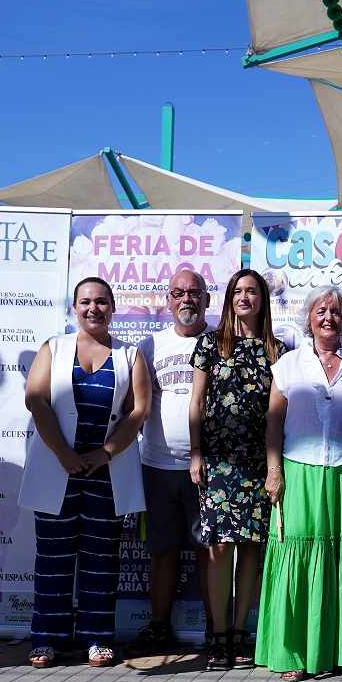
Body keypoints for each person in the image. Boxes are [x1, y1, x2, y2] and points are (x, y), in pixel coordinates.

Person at [19, 277, 150, 668]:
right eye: (86, 302)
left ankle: (97, 640)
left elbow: (138, 410)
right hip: (57, 470)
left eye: (102, 302)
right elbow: (35, 398)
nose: (94, 308)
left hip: (106, 475)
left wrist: (105, 453)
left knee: (101, 560)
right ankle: (46, 640)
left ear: (113, 306)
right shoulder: (53, 348)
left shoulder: (130, 355)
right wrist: (61, 451)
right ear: (73, 308)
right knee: (53, 559)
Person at [255, 285, 342, 682]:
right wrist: (274, 472)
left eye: (336, 312)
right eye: (321, 311)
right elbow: (273, 422)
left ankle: (340, 648)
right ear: (308, 318)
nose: (328, 318)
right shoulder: (288, 364)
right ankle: (293, 652)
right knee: (297, 552)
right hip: (297, 471)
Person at [190, 269, 288, 671]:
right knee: (219, 546)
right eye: (238, 291)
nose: (244, 296)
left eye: (252, 291)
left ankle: (240, 632)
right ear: (229, 298)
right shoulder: (210, 344)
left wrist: (272, 467)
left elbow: (277, 414)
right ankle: (217, 636)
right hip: (217, 460)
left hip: (256, 461)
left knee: (250, 547)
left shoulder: (277, 351)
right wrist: (196, 454)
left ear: (263, 299)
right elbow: (196, 404)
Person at [127, 269, 213, 658]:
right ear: (168, 301)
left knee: (208, 551)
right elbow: (135, 405)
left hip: (209, 470)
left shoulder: (220, 343)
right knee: (161, 550)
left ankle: (217, 629)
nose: (186, 300)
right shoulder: (149, 346)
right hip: (157, 466)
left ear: (207, 300)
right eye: (178, 293)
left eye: (194, 293)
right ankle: (159, 627)